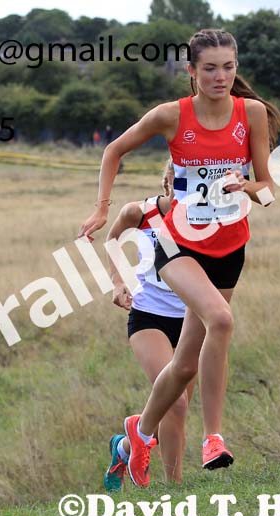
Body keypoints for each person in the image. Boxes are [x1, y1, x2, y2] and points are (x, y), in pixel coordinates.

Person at [78, 28, 280, 487]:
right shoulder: (171, 115)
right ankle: (214, 439)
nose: (220, 77)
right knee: (221, 320)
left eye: (228, 67)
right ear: (191, 71)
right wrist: (102, 208)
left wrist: (247, 186)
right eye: (209, 68)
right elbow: (113, 150)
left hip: (230, 247)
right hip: (179, 246)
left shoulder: (251, 114)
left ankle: (136, 435)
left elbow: (269, 192)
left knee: (186, 365)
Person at [103, 159, 194, 490]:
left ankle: (125, 449)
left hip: (192, 321)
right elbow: (111, 241)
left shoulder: (207, 218)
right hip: (148, 316)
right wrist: (117, 283)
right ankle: (174, 489)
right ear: (167, 180)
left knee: (173, 407)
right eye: (178, 178)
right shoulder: (139, 213)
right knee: (175, 403)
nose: (184, 186)